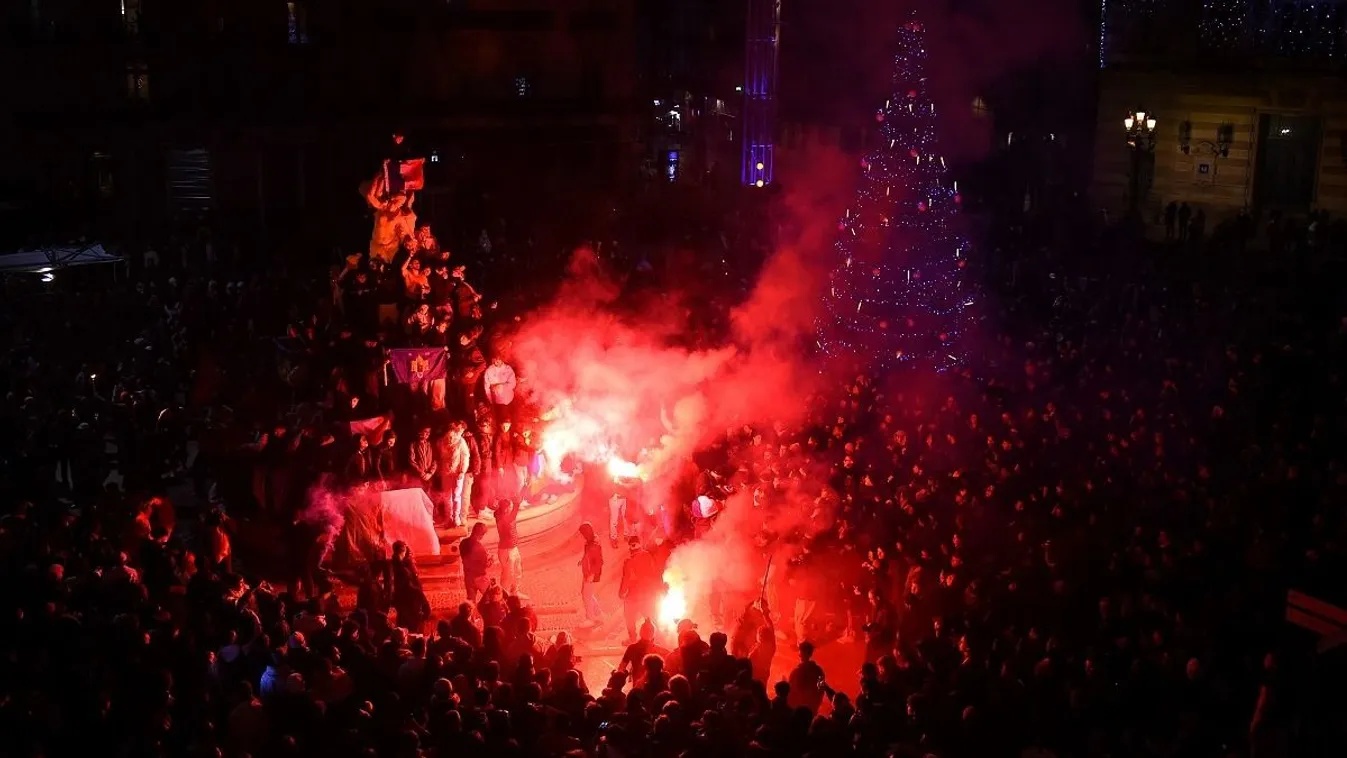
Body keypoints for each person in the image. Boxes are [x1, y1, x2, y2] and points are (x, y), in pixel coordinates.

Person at [619, 536, 659, 644]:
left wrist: (622, 592)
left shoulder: (629, 561)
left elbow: (626, 578)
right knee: (649, 617)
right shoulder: (648, 556)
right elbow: (654, 573)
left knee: (629, 618)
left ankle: (632, 639)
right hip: (648, 594)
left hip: (634, 596)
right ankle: (654, 638)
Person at [390, 540, 431, 632]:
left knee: (404, 626)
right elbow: (412, 585)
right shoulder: (403, 567)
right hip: (409, 601)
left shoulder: (398, 563)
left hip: (405, 601)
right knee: (412, 628)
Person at [439, 421, 471, 527]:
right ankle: (448, 518)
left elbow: (465, 457)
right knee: (447, 497)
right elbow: (441, 457)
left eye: (452, 432)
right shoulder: (443, 441)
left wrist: (462, 471)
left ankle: (456, 518)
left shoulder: (460, 442)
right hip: (446, 473)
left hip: (457, 474)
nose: (451, 435)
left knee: (456, 496)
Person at [489, 497, 522, 595]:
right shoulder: (502, 518)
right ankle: (503, 595)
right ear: (505, 508)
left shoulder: (506, 516)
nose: (511, 509)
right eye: (510, 507)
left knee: (518, 571)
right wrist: (517, 503)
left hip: (514, 548)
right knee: (508, 575)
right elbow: (514, 512)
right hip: (506, 550)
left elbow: (514, 511)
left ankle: (515, 592)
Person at [787, 640, 827, 713]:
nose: (799, 654)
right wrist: (816, 704)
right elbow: (821, 689)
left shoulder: (797, 672)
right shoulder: (818, 671)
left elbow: (790, 690)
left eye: (801, 652)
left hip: (798, 709)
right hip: (811, 708)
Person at [577, 522, 604, 626]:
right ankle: (598, 613)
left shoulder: (594, 545)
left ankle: (590, 619)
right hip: (589, 573)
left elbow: (599, 561)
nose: (582, 536)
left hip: (591, 574)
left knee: (586, 595)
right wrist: (582, 561)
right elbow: (588, 556)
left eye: (582, 534)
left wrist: (592, 574)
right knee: (588, 594)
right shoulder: (590, 542)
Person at [459, 522, 492, 604]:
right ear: (481, 534)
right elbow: (486, 565)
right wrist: (491, 560)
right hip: (480, 577)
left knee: (471, 602)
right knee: (490, 598)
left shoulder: (463, 543)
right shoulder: (480, 548)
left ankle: (471, 616)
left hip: (468, 577)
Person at [483, 354, 517, 422]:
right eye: (495, 360)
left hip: (508, 399)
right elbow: (486, 387)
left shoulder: (508, 369)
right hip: (497, 401)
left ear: (502, 360)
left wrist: (501, 386)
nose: (497, 362)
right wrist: (490, 399)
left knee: (510, 420)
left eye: (499, 359)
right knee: (500, 421)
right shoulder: (489, 371)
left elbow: (513, 384)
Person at [408, 426, 437, 491]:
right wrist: (421, 472)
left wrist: (430, 473)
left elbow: (435, 460)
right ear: (420, 432)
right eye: (426, 432)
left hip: (429, 476)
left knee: (429, 496)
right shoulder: (413, 444)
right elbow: (411, 460)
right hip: (418, 476)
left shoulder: (431, 444)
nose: (428, 434)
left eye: (429, 432)